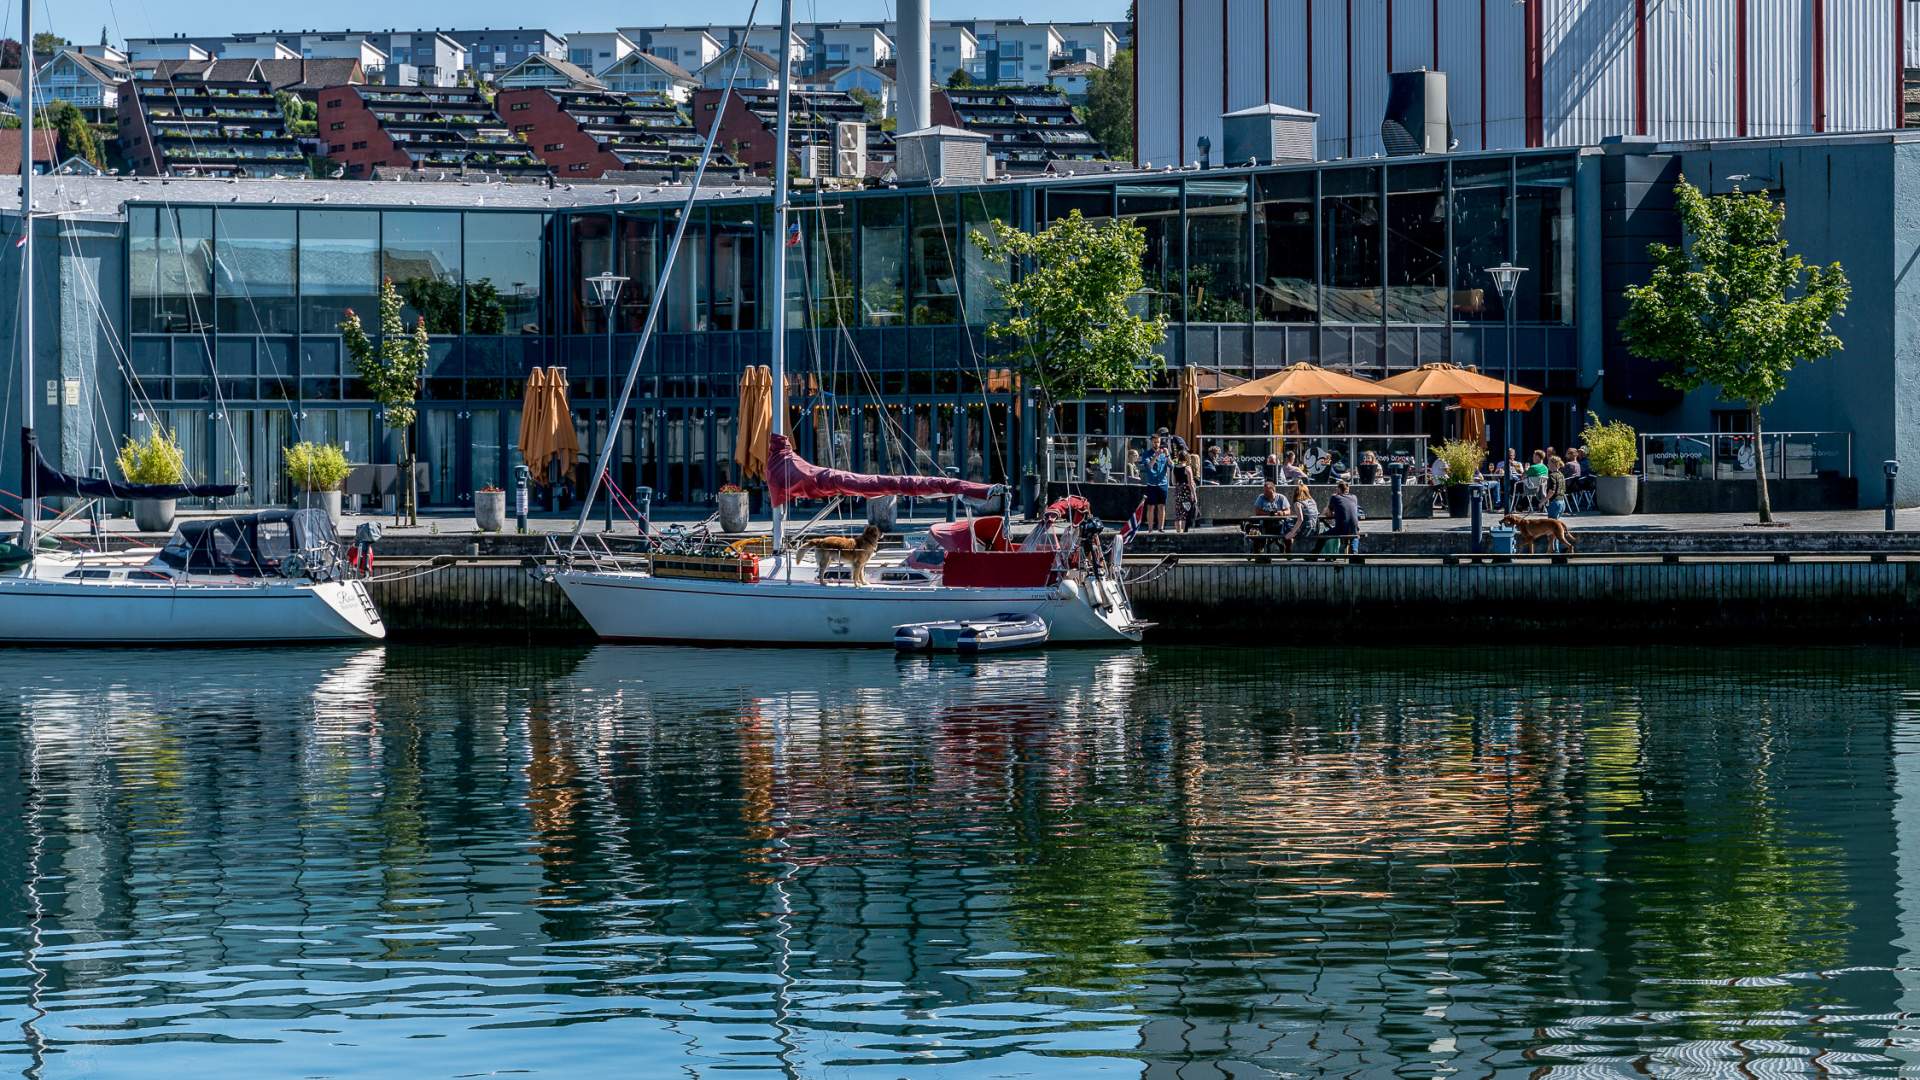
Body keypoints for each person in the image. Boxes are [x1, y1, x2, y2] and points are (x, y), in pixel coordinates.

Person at [1248, 480, 1291, 552]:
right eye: (1264, 491)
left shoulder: (1281, 498)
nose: (1265, 493)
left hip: (1279, 524)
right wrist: (1268, 514)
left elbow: (1288, 511)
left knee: (1288, 530)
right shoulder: (1261, 497)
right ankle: (1259, 551)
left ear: (1273, 490)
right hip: (1265, 524)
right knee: (1256, 532)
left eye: (1267, 491)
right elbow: (1257, 512)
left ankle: (1287, 549)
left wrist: (1282, 513)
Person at [1139, 438, 1170, 531]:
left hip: (1163, 484)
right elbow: (1149, 467)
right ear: (1151, 442)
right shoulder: (1147, 454)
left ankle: (1160, 528)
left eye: (1158, 442)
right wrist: (1155, 456)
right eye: (1154, 442)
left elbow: (1171, 465)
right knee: (1151, 507)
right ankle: (1150, 529)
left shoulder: (1164, 454)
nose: (1156, 444)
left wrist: (1167, 455)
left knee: (1162, 506)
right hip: (1151, 484)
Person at [1325, 479, 1363, 554]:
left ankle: (1314, 554)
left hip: (1340, 529)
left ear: (1338, 489)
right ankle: (1354, 553)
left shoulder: (1335, 498)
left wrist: (1330, 501)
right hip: (1353, 528)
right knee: (1355, 534)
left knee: (1322, 537)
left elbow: (1328, 513)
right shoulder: (1354, 497)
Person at [1171, 451, 1201, 533]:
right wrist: (1194, 495)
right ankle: (1184, 532)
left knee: (1178, 513)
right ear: (1187, 458)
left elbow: (1173, 482)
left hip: (1178, 491)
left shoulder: (1174, 468)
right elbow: (1190, 483)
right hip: (1186, 492)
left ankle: (1178, 531)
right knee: (1185, 512)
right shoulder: (1187, 468)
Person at [1286, 481, 1319, 549]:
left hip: (1305, 530)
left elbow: (1300, 519)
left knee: (1285, 524)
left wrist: (1292, 532)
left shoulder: (1298, 503)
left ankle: (1288, 550)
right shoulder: (1312, 501)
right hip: (1315, 529)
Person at [1544, 454, 1569, 522]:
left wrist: (1543, 501)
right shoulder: (1561, 475)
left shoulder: (1552, 476)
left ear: (1553, 464)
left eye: (1549, 463)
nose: (1547, 464)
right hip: (1562, 502)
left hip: (1555, 503)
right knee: (1555, 525)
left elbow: (1552, 491)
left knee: (1550, 525)